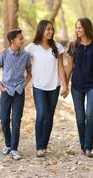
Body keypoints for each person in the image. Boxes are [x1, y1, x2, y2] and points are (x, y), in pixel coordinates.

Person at [25, 20, 68, 158]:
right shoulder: (32, 47)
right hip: (38, 86)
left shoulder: (58, 47)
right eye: (48, 29)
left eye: (52, 29)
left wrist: (65, 84)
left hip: (54, 86)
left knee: (49, 116)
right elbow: (18, 54)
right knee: (41, 114)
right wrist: (5, 50)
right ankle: (39, 146)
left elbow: (61, 67)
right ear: (41, 30)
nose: (50, 32)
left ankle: (44, 145)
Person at [66, 18, 93, 158]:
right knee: (80, 117)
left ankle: (88, 147)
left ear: (87, 29)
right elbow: (69, 67)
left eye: (80, 28)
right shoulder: (73, 45)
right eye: (76, 28)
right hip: (76, 85)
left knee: (90, 115)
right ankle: (83, 146)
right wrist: (65, 85)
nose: (77, 30)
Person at [0, 29, 32, 160]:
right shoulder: (3, 55)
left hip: (19, 92)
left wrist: (23, 85)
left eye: (22, 38)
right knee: (4, 120)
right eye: (20, 38)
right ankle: (8, 145)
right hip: (6, 91)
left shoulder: (26, 55)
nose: (22, 40)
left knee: (16, 121)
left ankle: (14, 149)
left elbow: (29, 73)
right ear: (12, 41)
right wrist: (1, 88)